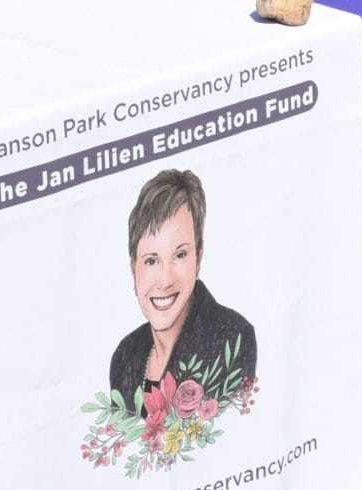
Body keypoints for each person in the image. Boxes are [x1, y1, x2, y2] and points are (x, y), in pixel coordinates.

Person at [107, 169, 256, 401]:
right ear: (133, 269)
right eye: (151, 261)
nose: (165, 281)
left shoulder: (233, 338)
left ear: (199, 257)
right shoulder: (125, 357)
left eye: (180, 255)